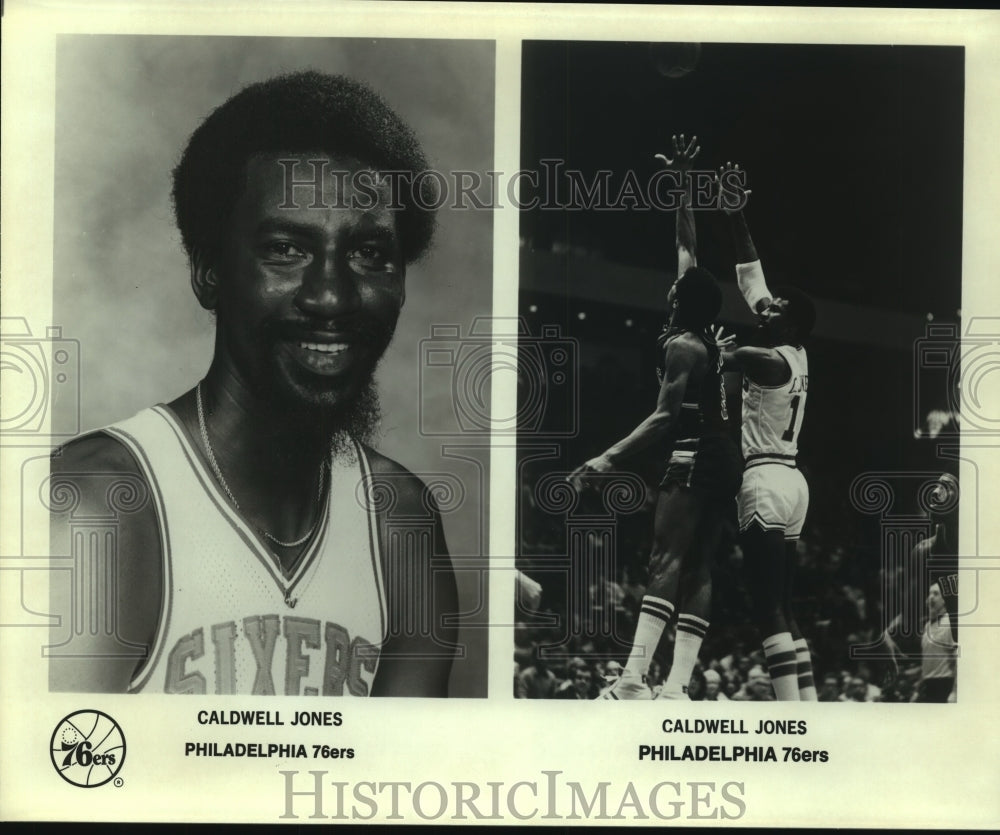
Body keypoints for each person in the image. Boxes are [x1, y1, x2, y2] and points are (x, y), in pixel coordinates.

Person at [49, 71, 458, 696]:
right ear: (209, 273)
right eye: (286, 249)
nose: (331, 295)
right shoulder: (98, 502)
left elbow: (394, 789)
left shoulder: (401, 522)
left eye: (369, 253)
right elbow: (60, 782)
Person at [569, 135, 742, 700]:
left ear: (678, 301)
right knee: (701, 569)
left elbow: (664, 418)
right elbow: (688, 252)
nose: (671, 280)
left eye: (674, 286)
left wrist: (605, 458)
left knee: (665, 557)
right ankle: (675, 687)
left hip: (692, 454)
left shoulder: (684, 348)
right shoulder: (704, 338)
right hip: (727, 457)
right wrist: (684, 186)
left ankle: (632, 680)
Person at [716, 162, 818, 701]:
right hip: (794, 483)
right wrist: (736, 216)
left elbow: (721, 353)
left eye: (776, 308)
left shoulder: (762, 356)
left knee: (767, 610)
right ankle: (810, 708)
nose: (767, 305)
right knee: (787, 607)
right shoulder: (794, 352)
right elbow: (751, 278)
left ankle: (788, 717)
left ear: (790, 323)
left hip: (764, 481)